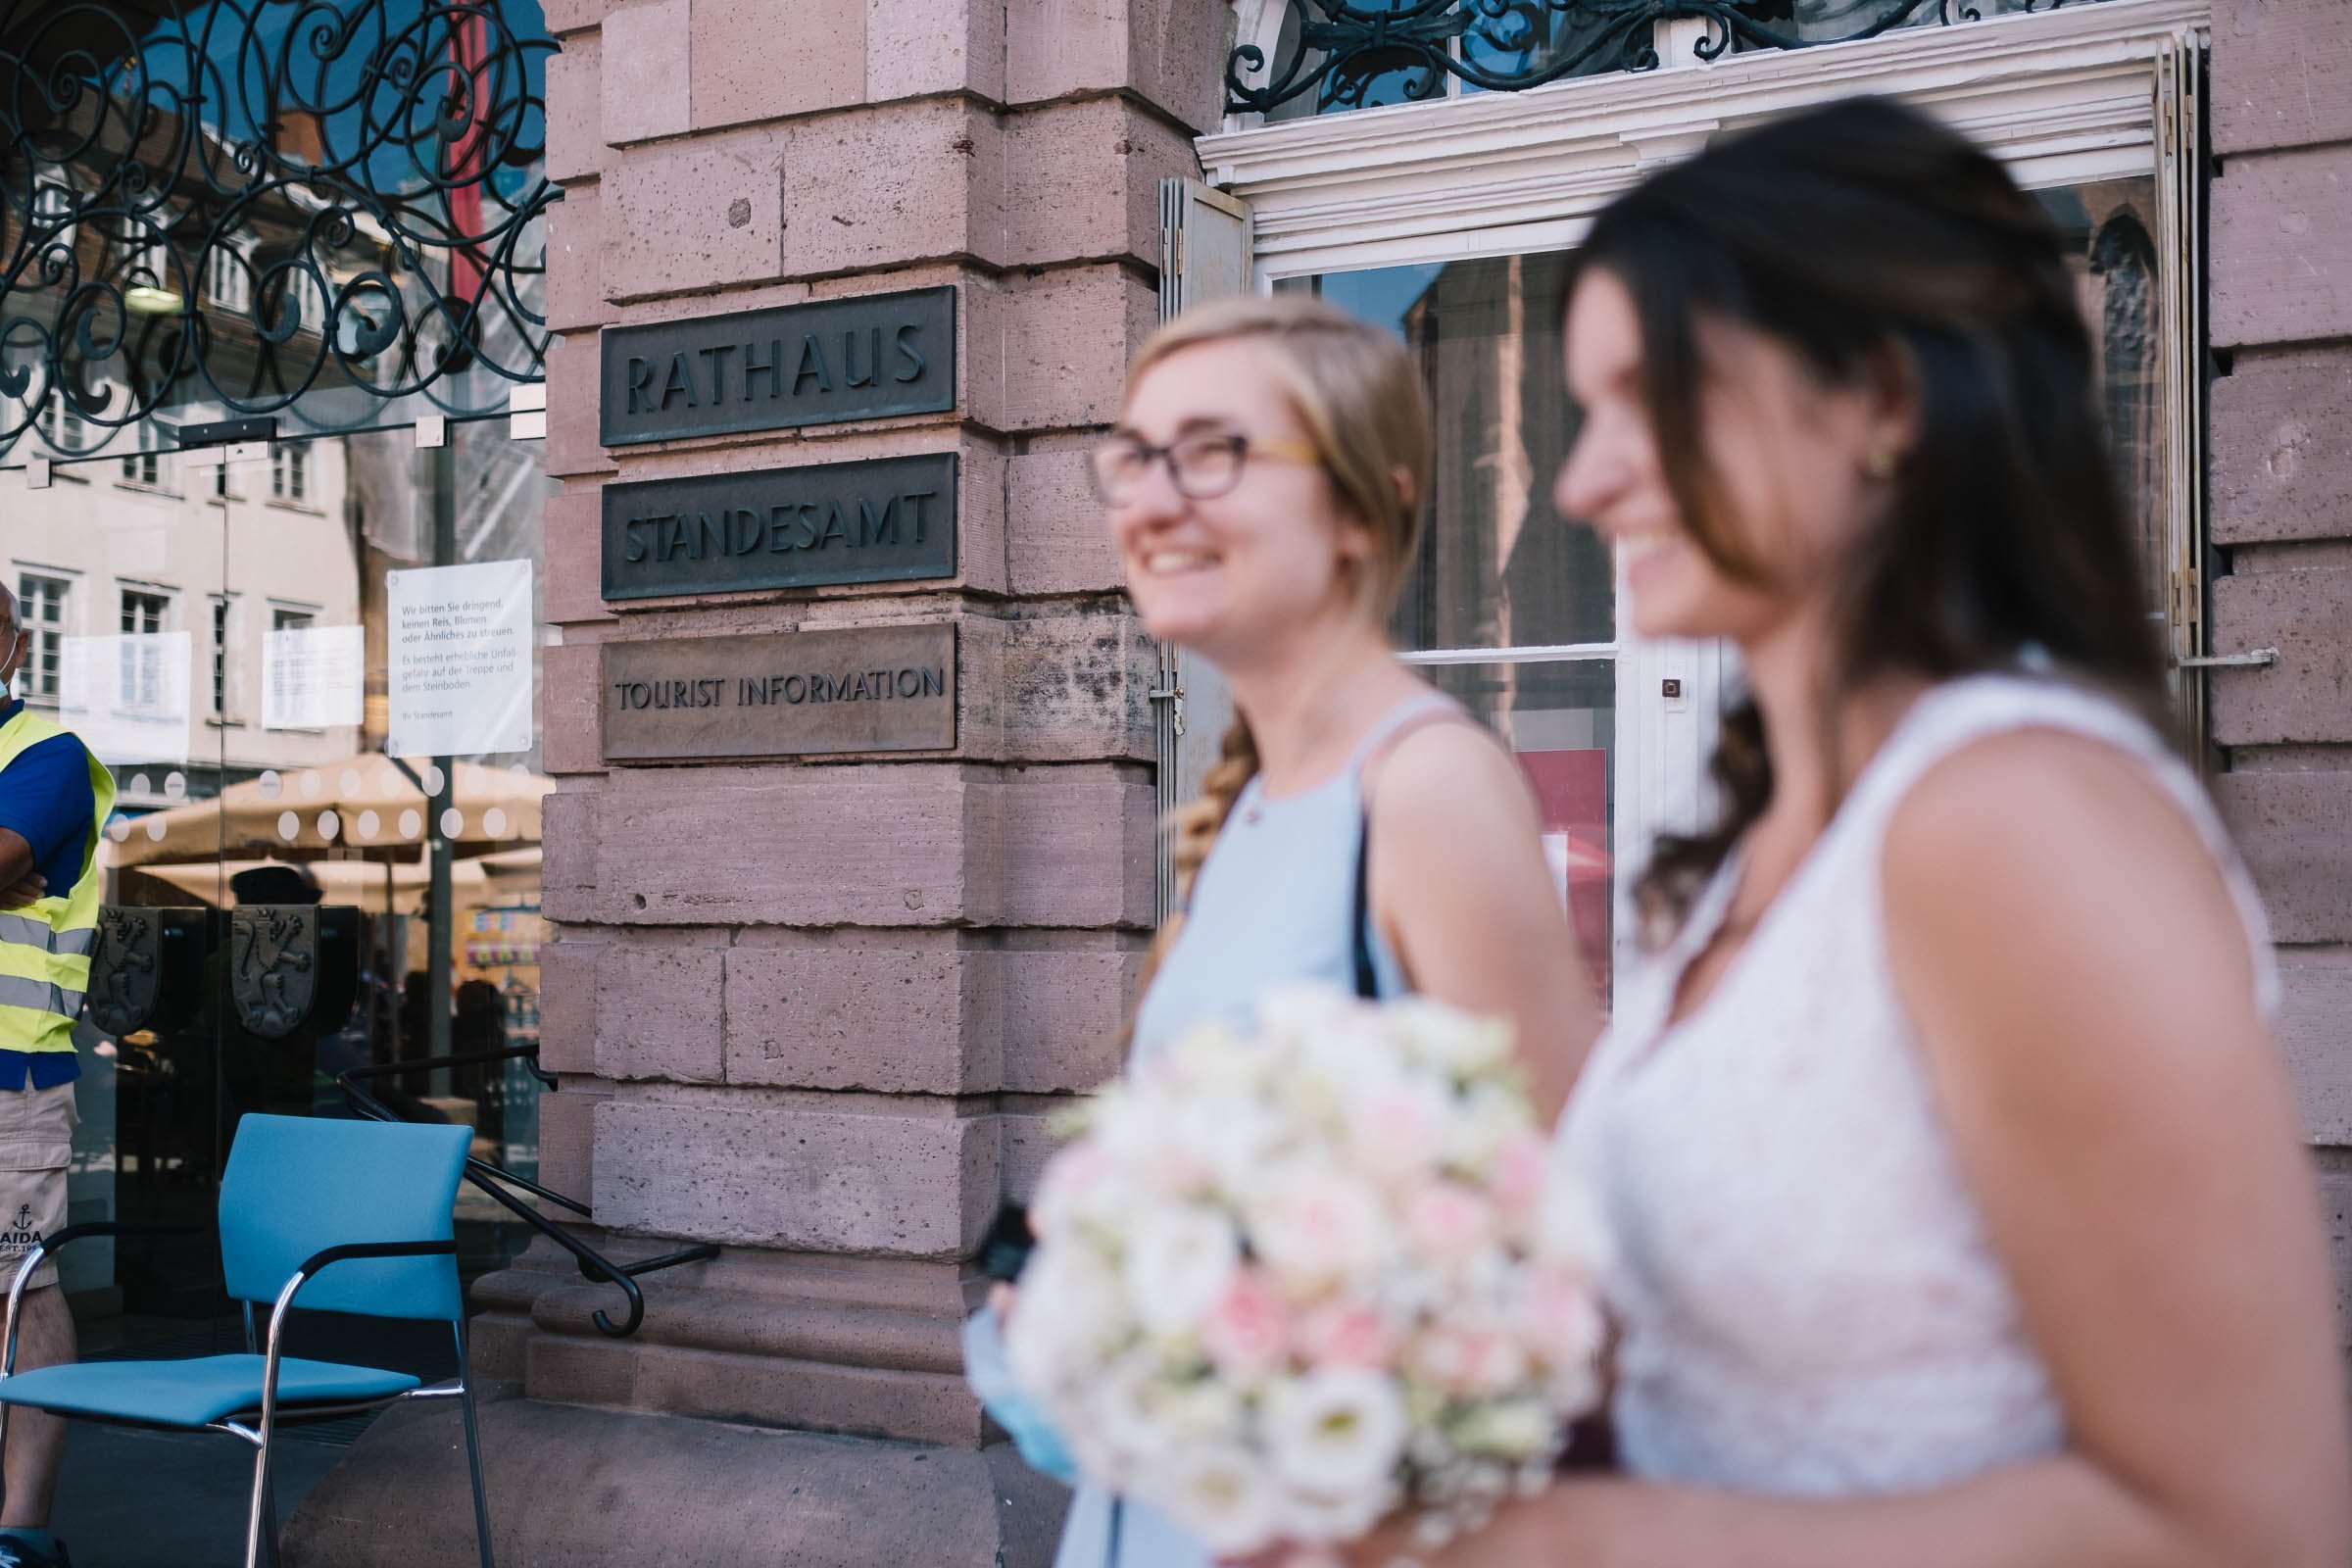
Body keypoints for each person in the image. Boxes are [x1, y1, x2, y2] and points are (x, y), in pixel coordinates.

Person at [1305, 96, 2352, 1568]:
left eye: (1643, 402)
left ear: (1881, 399)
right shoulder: (1750, 846)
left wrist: (1561, 1547)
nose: (1580, 480)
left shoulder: (2011, 818)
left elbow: (2242, 1528)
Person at [978, 294, 1605, 1568]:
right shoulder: (1252, 806)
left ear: (1361, 510)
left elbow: (1570, 1246)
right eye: (1135, 460)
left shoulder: (1423, 788)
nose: (1153, 502)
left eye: (1214, 453)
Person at [0, 582, 114, 1567]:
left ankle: (18, 1532)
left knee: (20, 1289)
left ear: (13, 644)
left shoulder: (45, 756)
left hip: (12, 1084)